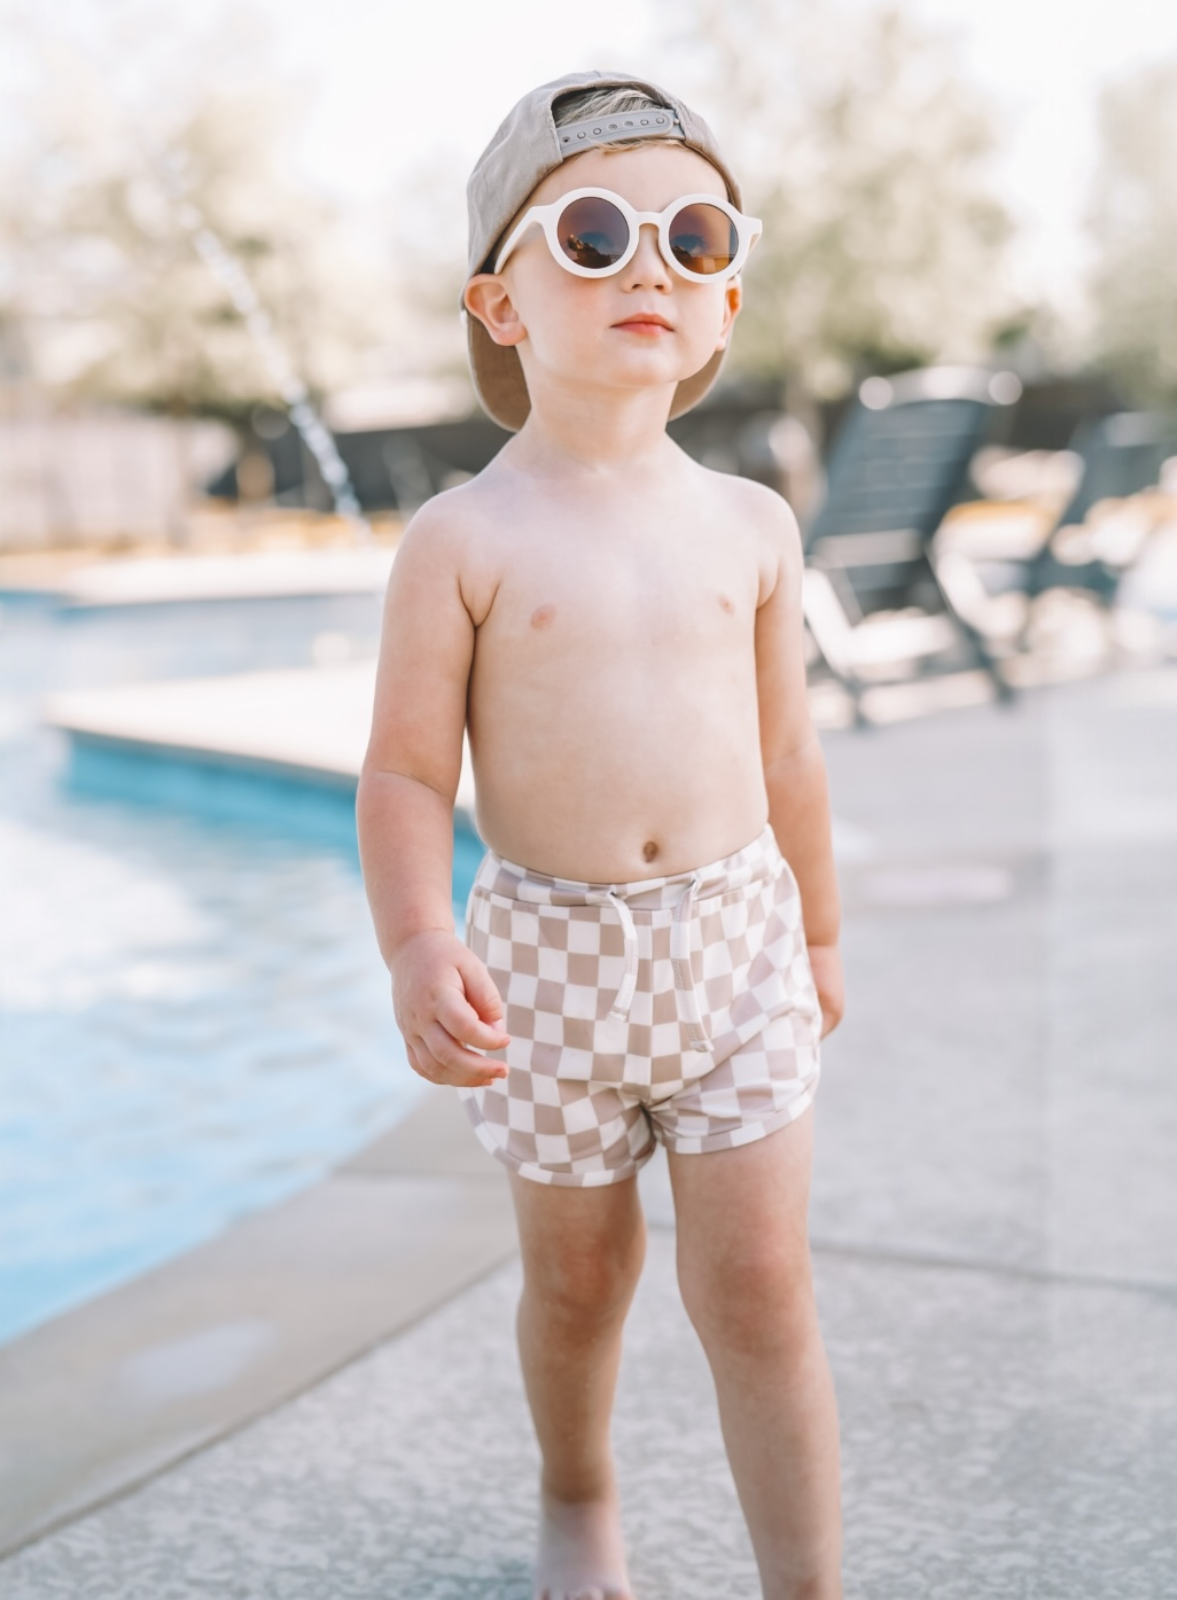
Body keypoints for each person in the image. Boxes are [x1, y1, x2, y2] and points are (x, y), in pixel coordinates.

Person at [357, 69, 845, 1600]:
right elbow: (404, 776)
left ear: (724, 309)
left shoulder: (754, 528)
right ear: (500, 304)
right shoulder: (465, 541)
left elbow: (787, 754)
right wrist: (419, 940)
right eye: (592, 232)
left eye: (692, 237)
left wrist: (821, 932)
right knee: (578, 1281)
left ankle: (807, 1585)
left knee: (759, 1287)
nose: (649, 264)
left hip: (735, 946)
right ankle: (581, 1497)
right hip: (549, 970)